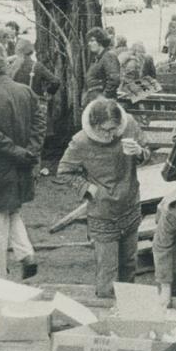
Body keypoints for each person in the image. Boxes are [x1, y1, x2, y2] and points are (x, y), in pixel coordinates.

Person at [57, 98, 150, 298]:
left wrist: (140, 152)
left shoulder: (130, 125)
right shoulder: (80, 142)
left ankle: (128, 312)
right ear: (93, 125)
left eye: (113, 129)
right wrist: (88, 188)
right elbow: (64, 171)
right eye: (104, 130)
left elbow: (147, 152)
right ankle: (106, 315)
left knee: (129, 264)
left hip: (130, 206)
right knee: (108, 271)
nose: (110, 135)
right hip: (103, 214)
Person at [0, 53, 46, 283]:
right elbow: (39, 122)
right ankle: (26, 255)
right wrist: (31, 151)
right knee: (11, 209)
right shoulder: (25, 91)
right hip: (22, 163)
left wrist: (16, 151)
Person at [83, 28, 123, 106]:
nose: (89, 44)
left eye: (92, 41)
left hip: (103, 105)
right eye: (89, 41)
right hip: (94, 101)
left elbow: (114, 80)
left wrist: (103, 99)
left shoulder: (109, 56)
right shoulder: (98, 58)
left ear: (100, 41)